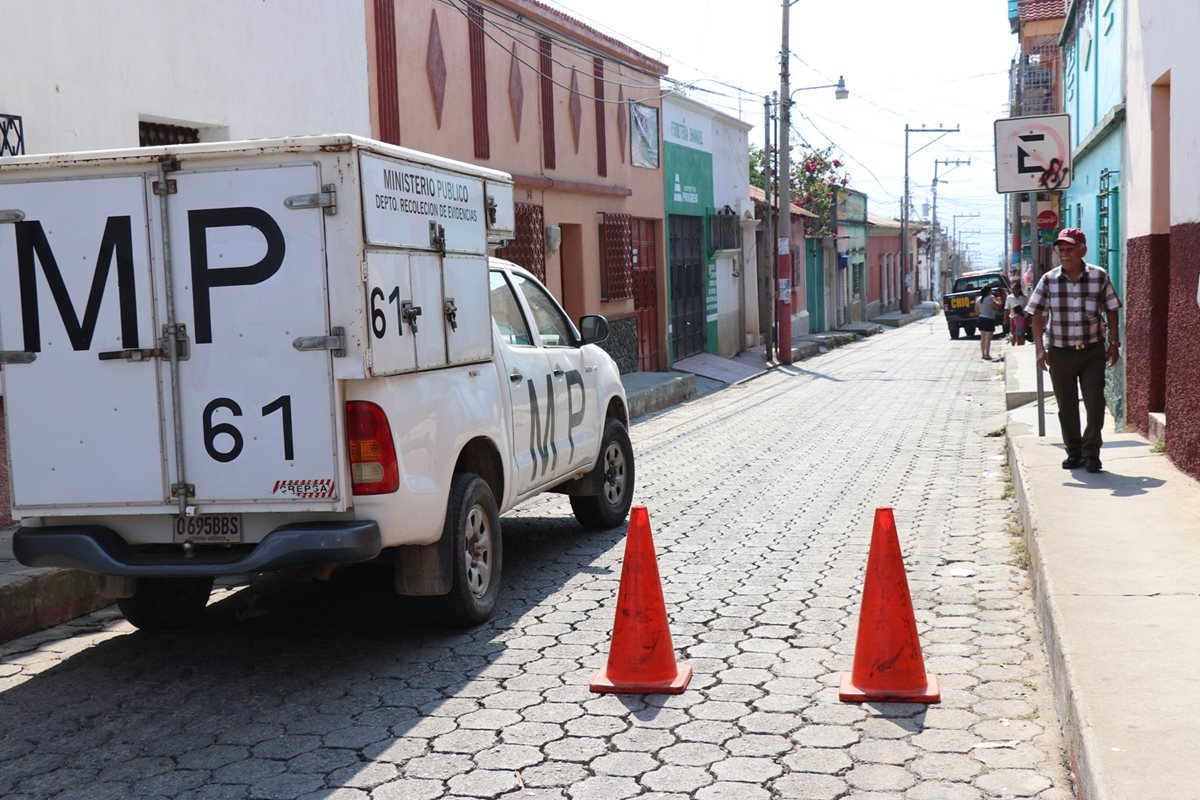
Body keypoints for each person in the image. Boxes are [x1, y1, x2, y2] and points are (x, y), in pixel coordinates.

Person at [1025, 228, 1122, 473]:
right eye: (1061, 250)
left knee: (1095, 402)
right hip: (1060, 352)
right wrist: (1039, 350)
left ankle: (1092, 452)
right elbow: (1036, 314)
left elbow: (1111, 308)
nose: (1065, 254)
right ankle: (1074, 452)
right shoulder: (1049, 279)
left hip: (1092, 350)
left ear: (1083, 251)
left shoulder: (1099, 276)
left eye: (1070, 249)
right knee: (1066, 406)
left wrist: (1114, 343)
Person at [974, 285, 999, 361]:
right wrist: (997, 300)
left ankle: (983, 354)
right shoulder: (991, 298)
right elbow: (997, 306)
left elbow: (976, 311)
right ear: (989, 291)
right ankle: (987, 354)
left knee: (982, 338)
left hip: (981, 318)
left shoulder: (978, 299)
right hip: (989, 319)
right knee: (988, 339)